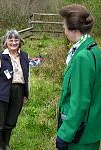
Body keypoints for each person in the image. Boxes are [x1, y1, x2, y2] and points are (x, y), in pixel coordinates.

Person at [56, 4, 101, 150]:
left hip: (79, 134)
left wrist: (64, 133)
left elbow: (80, 101)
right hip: (90, 129)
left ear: (73, 29)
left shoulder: (83, 57)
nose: (64, 30)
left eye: (64, 27)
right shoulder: (93, 49)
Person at [0, 30, 29, 150]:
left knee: (11, 119)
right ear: (6, 42)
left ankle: (6, 144)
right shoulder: (0, 57)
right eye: (10, 40)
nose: (13, 42)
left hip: (18, 91)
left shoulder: (25, 56)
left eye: (16, 40)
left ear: (19, 41)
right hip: (2, 92)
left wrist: (26, 93)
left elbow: (27, 76)